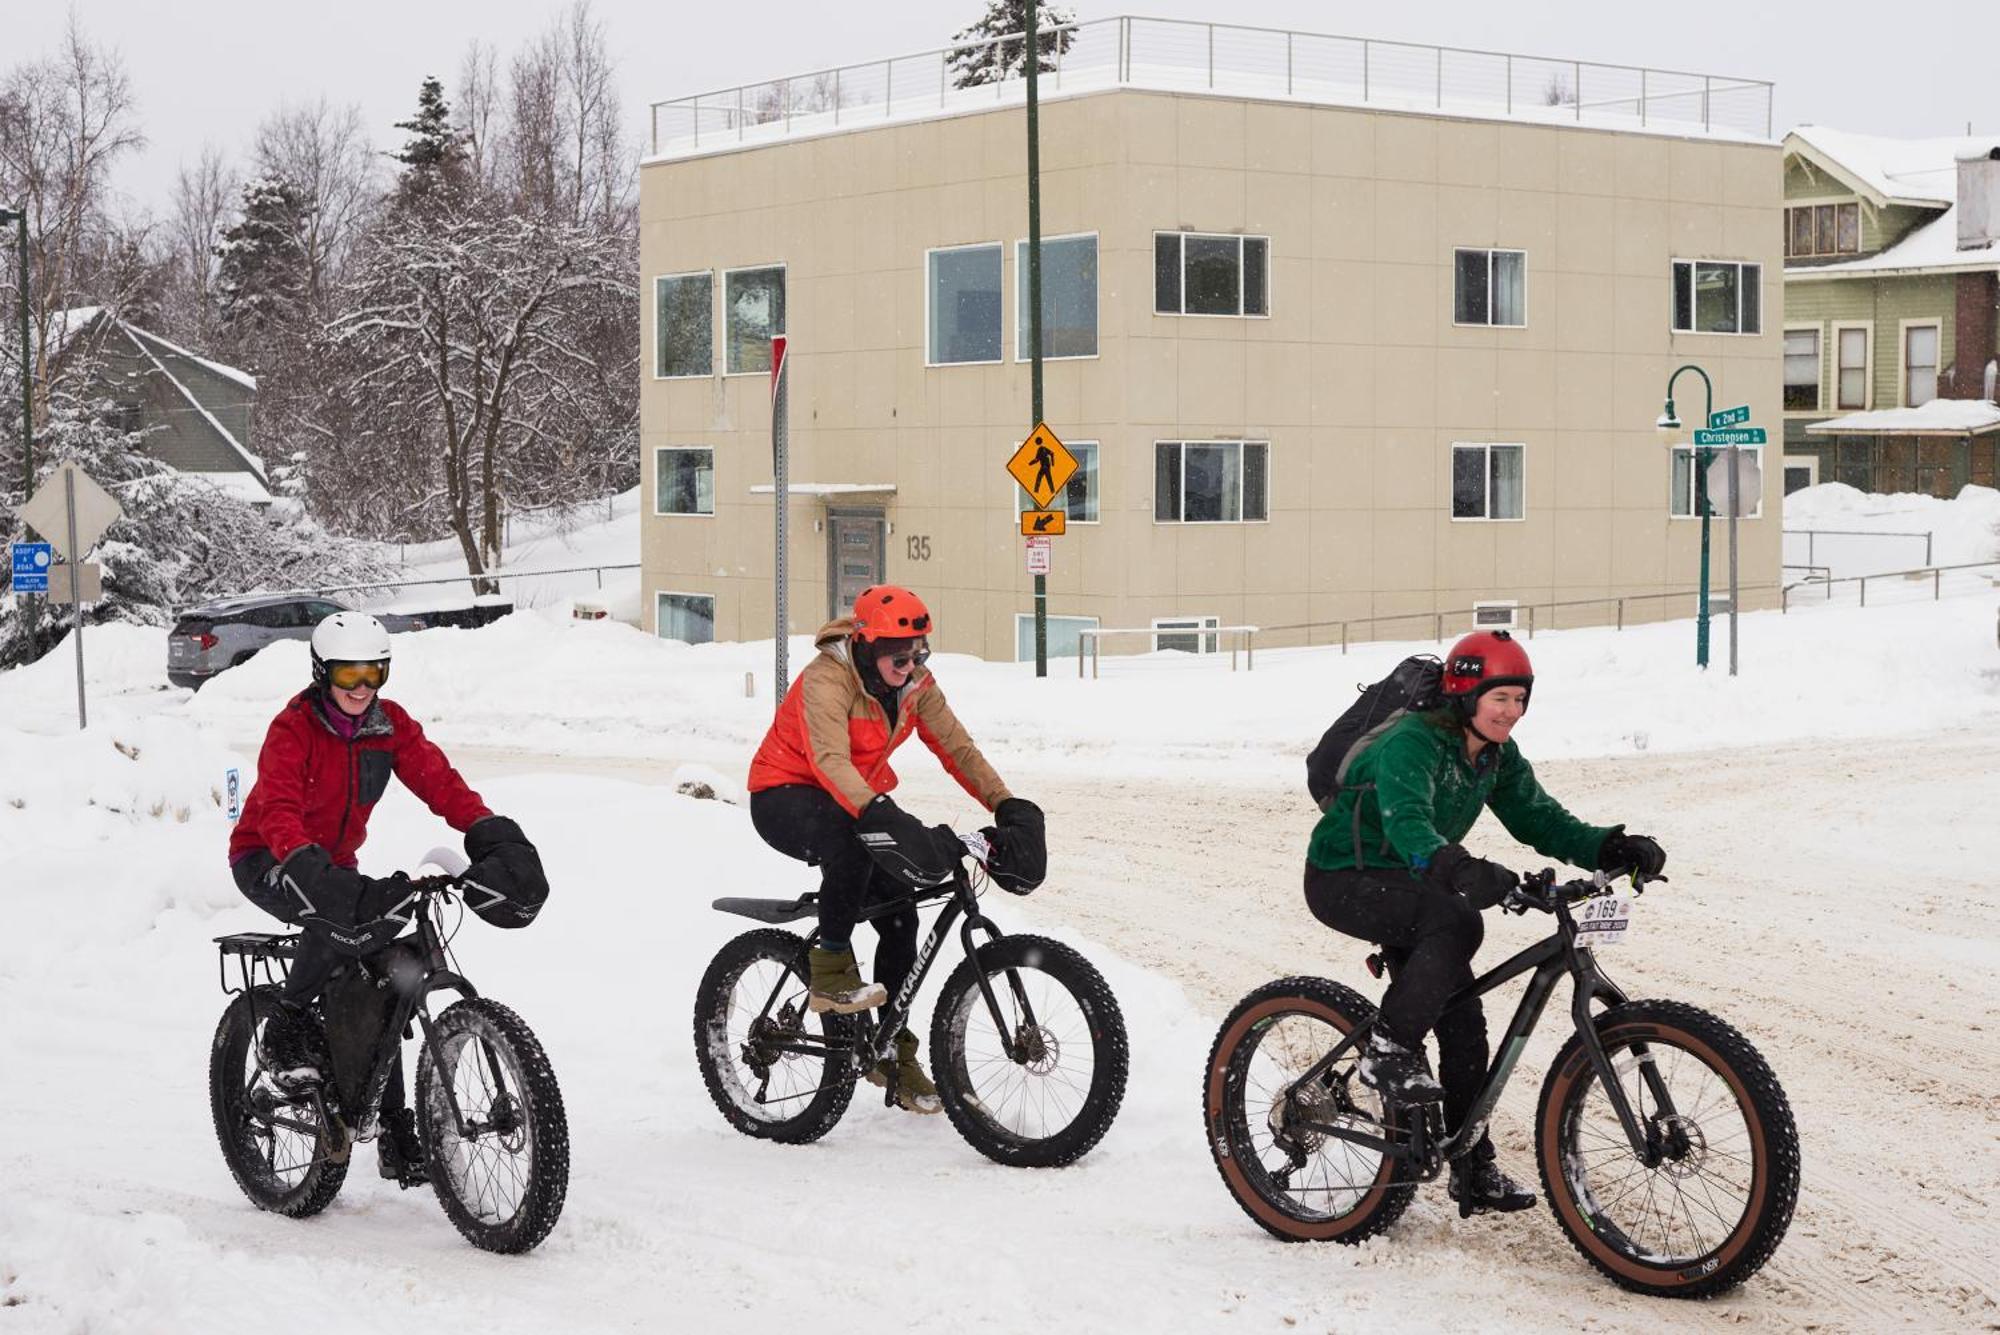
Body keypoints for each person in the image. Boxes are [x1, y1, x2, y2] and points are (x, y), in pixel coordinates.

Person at [1302, 630, 1666, 1216]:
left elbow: (1540, 819)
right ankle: (1387, 1049)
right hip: (1345, 877)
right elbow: (1407, 820)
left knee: (1465, 1020)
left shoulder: (1495, 754)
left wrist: (1609, 847)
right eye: (1501, 698)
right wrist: (1456, 865)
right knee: (1459, 921)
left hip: (1417, 880)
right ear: (1467, 693)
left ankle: (1472, 1165)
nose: (1512, 712)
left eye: (1521, 699)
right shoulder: (1412, 742)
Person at [227, 611, 546, 1185]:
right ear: (323, 673)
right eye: (348, 674)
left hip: (335, 865)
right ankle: (287, 1023)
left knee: (387, 973)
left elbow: (439, 781)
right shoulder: (293, 728)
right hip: (269, 858)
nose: (361, 688)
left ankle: (397, 1134)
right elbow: (276, 808)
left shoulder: (388, 726)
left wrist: (490, 830)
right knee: (329, 925)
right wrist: (306, 865)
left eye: (374, 673)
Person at [747, 586, 1045, 1115]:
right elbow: (829, 759)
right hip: (784, 794)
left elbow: (957, 748)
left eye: (919, 654)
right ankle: (832, 965)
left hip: (854, 798)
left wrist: (1006, 804)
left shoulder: (915, 686)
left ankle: (889, 1047)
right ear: (866, 644)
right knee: (855, 843)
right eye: (899, 657)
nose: (910, 667)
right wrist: (878, 813)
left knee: (901, 911)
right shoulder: (827, 678)